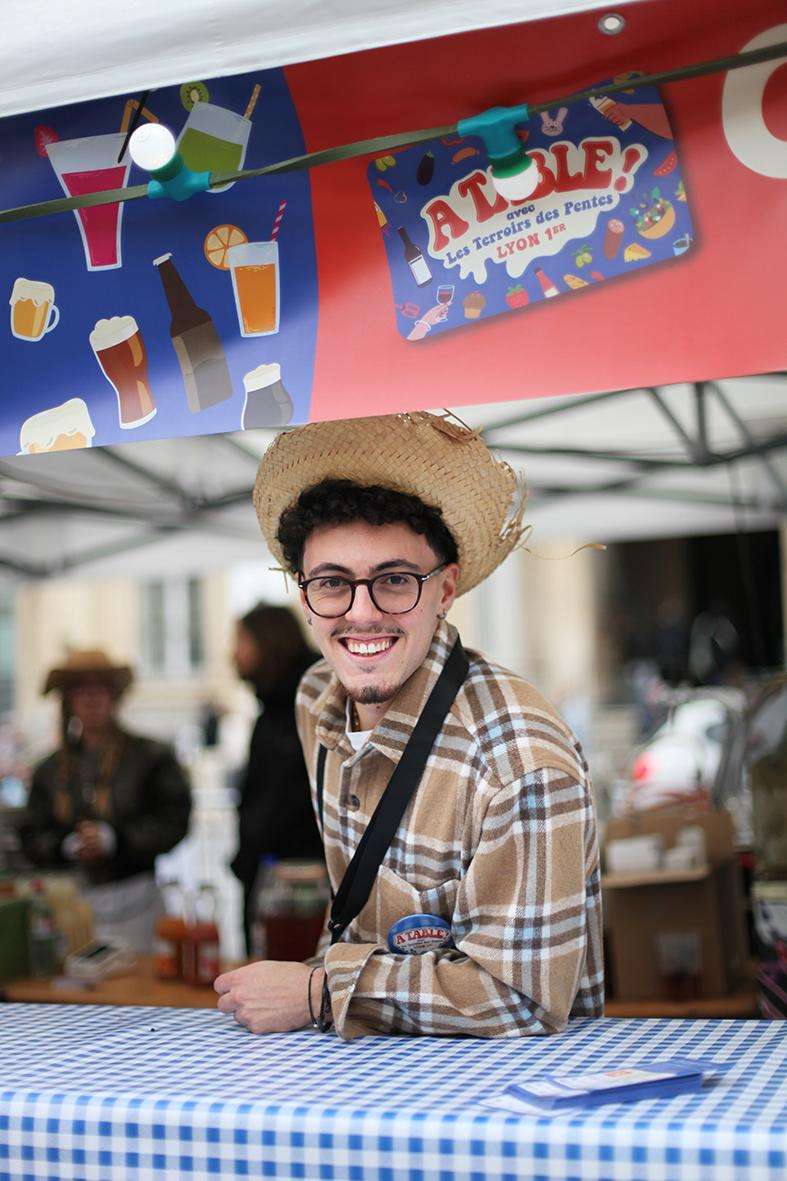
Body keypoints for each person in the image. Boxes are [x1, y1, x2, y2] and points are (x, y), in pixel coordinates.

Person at [215, 411, 603, 1039]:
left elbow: (523, 999)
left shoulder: (522, 763)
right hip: (367, 1091)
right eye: (333, 583)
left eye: (395, 581)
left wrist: (321, 991)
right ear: (303, 592)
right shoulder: (316, 700)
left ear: (445, 589)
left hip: (503, 1111)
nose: (361, 614)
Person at [18, 650, 191, 951]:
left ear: (115, 697)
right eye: (81, 691)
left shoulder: (151, 757)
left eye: (100, 690)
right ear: (68, 701)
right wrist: (66, 844)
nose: (91, 700)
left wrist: (115, 839)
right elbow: (31, 833)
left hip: (137, 899)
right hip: (70, 904)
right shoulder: (48, 769)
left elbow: (174, 821)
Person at [230, 603, 323, 955]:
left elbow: (286, 796)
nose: (234, 653)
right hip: (274, 872)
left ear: (268, 642)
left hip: (301, 881)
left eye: (242, 640)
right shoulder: (273, 707)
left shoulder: (306, 704)